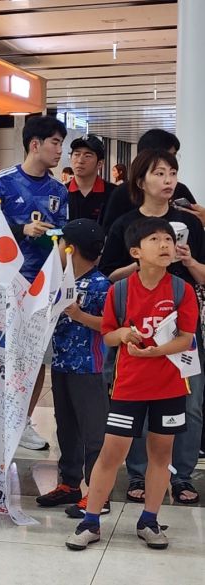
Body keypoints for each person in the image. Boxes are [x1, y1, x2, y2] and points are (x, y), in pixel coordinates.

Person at [66, 218, 198, 551]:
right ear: (136, 251)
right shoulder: (121, 291)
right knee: (112, 453)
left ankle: (149, 520)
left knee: (161, 454)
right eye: (154, 239)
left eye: (168, 239)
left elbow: (186, 339)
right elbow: (109, 335)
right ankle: (91, 521)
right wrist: (124, 334)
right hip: (129, 387)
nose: (164, 244)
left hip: (170, 387)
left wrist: (156, 352)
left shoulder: (182, 290)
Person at [99, 149, 205, 506]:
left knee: (190, 402)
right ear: (141, 180)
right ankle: (138, 474)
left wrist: (188, 261)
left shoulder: (189, 223)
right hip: (138, 331)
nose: (168, 180)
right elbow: (107, 276)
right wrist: (145, 263)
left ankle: (182, 475)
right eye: (159, 173)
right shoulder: (125, 224)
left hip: (181, 330)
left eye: (172, 172)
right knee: (137, 402)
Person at [0, 115, 69, 451]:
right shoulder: (0, 183)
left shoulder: (59, 191)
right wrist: (21, 230)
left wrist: (57, 244)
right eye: (55, 143)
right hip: (4, 285)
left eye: (61, 144)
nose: (60, 151)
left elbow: (63, 234)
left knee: (36, 356)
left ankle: (24, 421)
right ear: (35, 144)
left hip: (42, 288)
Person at [35, 219, 111, 517]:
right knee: (66, 427)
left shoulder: (100, 284)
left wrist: (80, 315)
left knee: (94, 433)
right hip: (62, 365)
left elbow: (110, 326)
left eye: (61, 243)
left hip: (89, 368)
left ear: (72, 249)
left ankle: (99, 494)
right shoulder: (62, 281)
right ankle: (69, 483)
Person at [100, 130, 196, 230]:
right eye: (159, 173)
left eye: (174, 155)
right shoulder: (122, 193)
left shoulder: (180, 190)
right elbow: (110, 230)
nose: (168, 181)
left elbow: (195, 229)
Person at [66, 135, 115, 222]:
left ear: (100, 163)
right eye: (76, 154)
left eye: (87, 156)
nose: (80, 161)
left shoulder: (114, 194)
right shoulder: (61, 192)